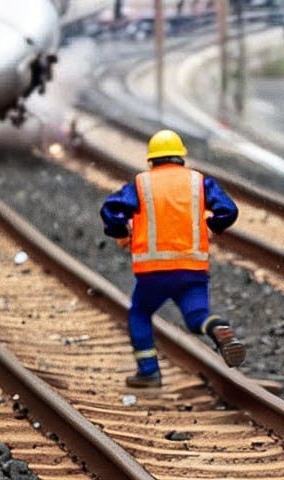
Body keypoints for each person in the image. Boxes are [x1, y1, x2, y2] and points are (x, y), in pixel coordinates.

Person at [99, 129, 245, 388]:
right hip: (192, 268)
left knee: (140, 313)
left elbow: (111, 210)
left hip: (154, 271)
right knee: (197, 316)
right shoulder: (198, 182)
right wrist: (212, 225)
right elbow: (228, 210)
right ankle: (216, 327)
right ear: (181, 157)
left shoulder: (142, 184)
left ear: (151, 160)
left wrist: (121, 231)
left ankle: (148, 371)